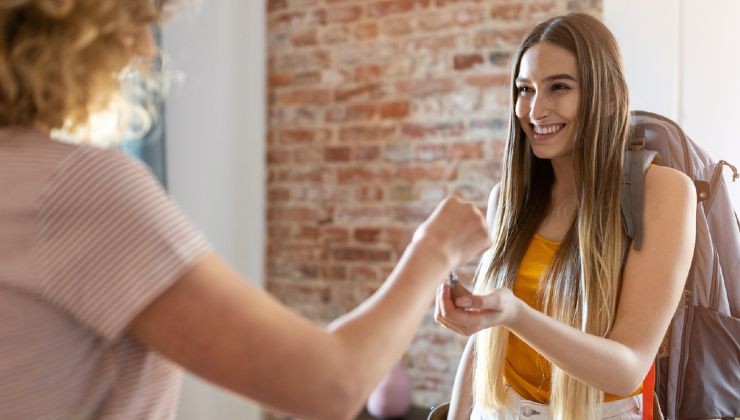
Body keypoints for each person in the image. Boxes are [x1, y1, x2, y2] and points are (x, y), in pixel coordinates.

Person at [0, 1, 493, 419]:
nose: (144, 49)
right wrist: (437, 247)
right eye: (135, 23)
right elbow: (330, 384)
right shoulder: (76, 185)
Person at [434, 13, 696, 420]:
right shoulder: (507, 198)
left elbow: (626, 369)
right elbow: (484, 344)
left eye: (559, 87)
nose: (535, 110)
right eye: (525, 89)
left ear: (608, 96)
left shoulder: (663, 192)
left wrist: (516, 314)